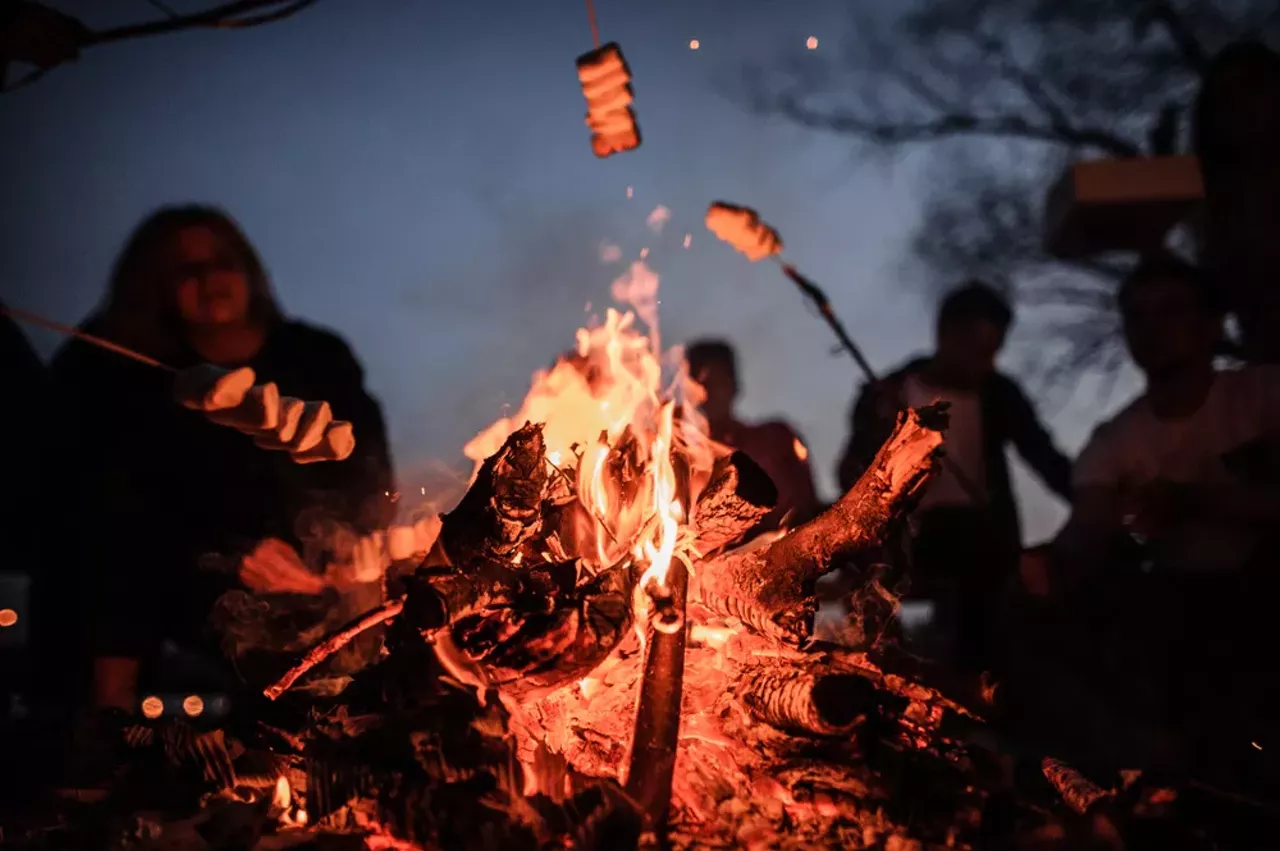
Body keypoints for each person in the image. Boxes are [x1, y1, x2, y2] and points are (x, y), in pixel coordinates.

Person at [51, 205, 394, 712]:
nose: (210, 279)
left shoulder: (315, 355)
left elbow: (367, 466)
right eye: (185, 270)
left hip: (326, 593)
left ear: (250, 270)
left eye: (223, 261)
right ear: (152, 285)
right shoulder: (115, 369)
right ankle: (106, 728)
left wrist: (352, 547)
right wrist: (227, 552)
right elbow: (103, 510)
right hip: (178, 603)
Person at [1028, 254, 1280, 774]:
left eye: (1170, 312)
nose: (1152, 330)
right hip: (1181, 606)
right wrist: (1047, 563)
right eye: (1137, 317)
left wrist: (1198, 501)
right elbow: (1090, 525)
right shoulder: (1114, 441)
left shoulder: (1263, 396)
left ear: (1211, 325)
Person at [836, 281, 1072, 672]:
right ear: (945, 333)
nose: (984, 363)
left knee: (985, 568)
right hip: (904, 535)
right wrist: (878, 431)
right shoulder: (891, 392)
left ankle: (978, 684)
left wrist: (1095, 501)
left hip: (982, 538)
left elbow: (1044, 456)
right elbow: (849, 472)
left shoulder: (999, 394)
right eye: (976, 349)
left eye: (992, 351)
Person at [685, 339, 821, 532]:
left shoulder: (775, 437)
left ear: (734, 386)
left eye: (718, 382)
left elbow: (808, 503)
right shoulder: (686, 459)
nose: (709, 393)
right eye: (702, 384)